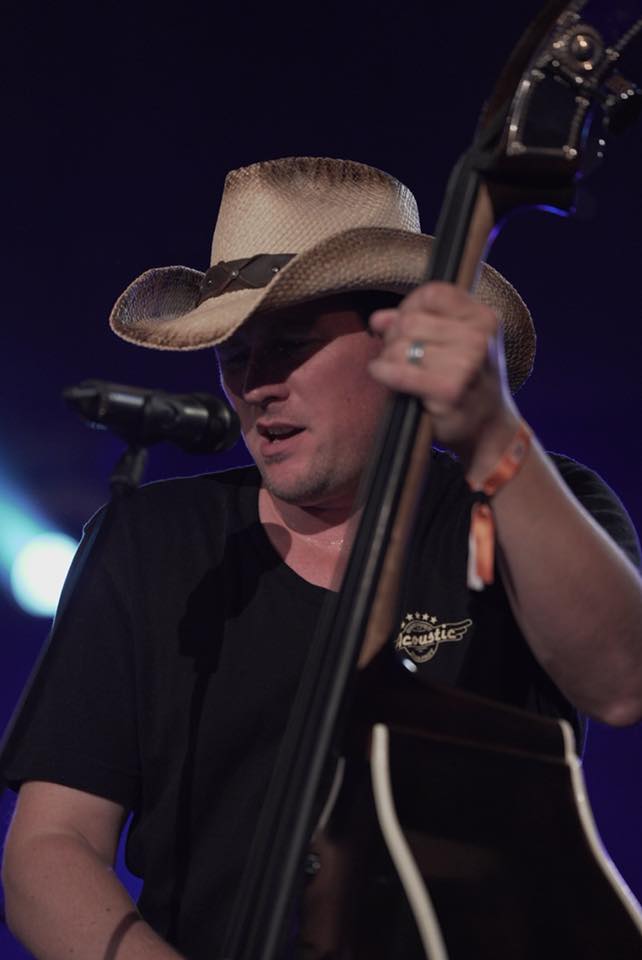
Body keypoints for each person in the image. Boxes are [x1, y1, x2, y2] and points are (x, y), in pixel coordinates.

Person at [1, 156, 641, 960]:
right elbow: (49, 848)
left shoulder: (528, 502)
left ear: (399, 342)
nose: (256, 386)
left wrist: (492, 438)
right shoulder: (151, 541)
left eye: (292, 346)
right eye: (235, 354)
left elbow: (623, 683)